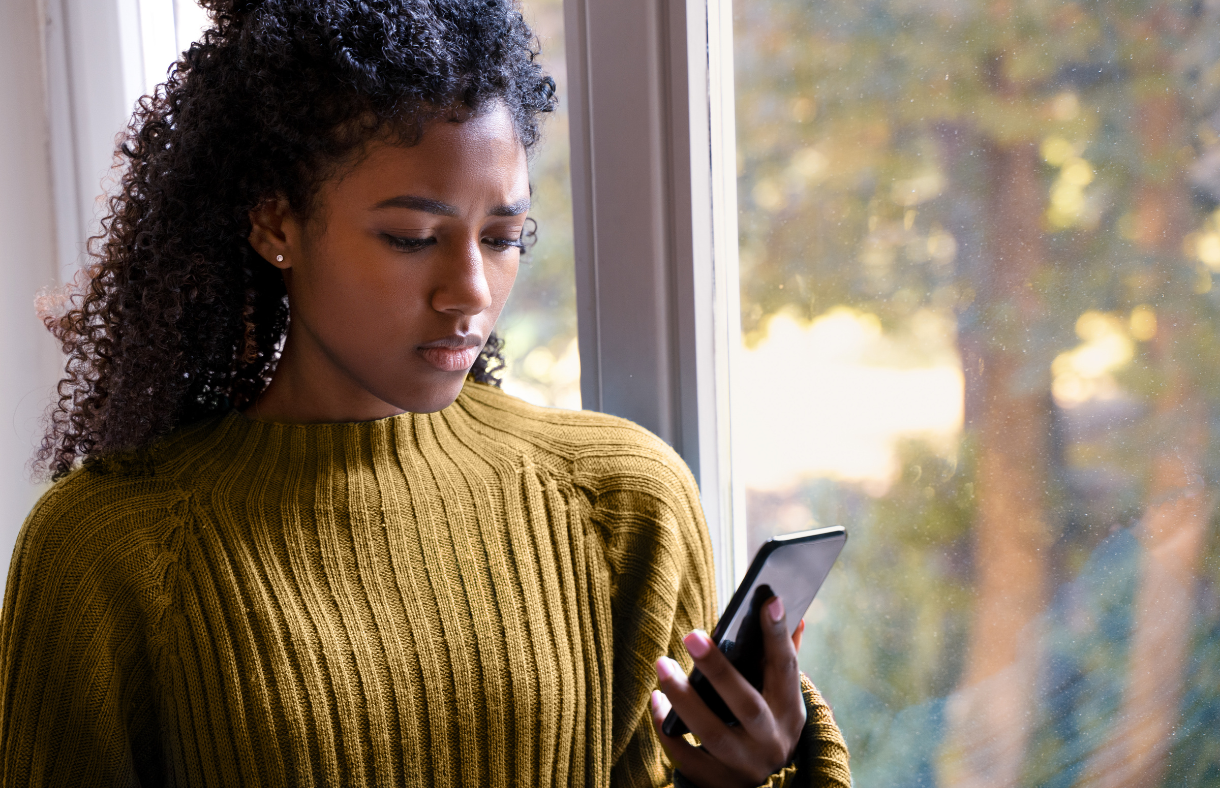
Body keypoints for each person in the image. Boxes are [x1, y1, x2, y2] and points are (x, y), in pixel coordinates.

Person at [0, 1, 850, 786]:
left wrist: (755, 774)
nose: (471, 290)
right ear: (275, 224)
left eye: (505, 237)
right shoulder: (109, 550)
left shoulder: (622, 503)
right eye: (413, 238)